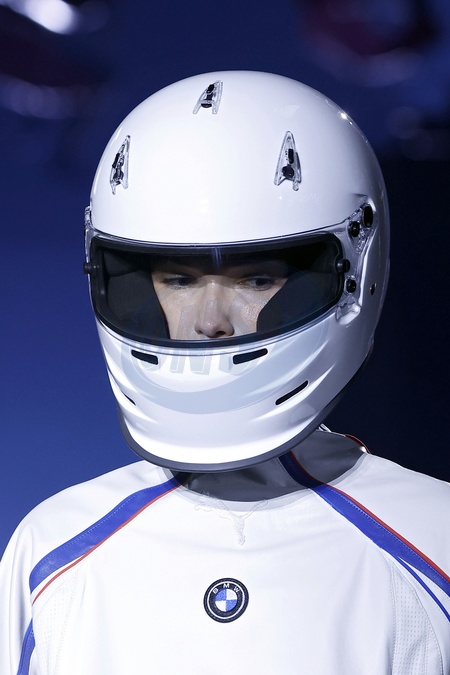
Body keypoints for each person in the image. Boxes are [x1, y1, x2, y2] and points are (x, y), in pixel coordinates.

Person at [1, 71, 449, 674]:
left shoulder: (436, 540)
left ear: (352, 272)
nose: (211, 321)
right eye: (178, 280)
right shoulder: (49, 550)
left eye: (255, 279)